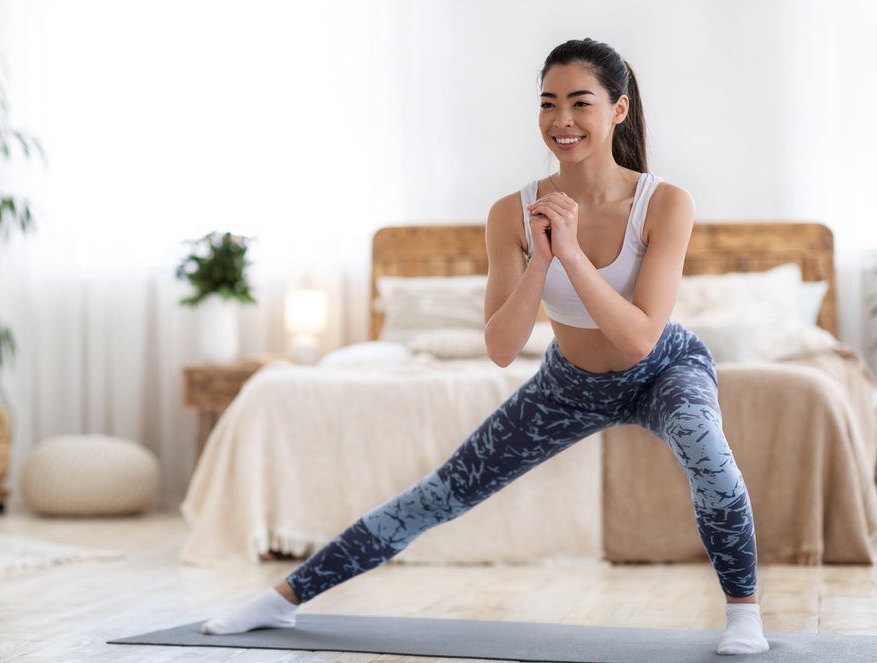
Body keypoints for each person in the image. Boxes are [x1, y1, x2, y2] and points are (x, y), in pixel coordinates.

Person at [200, 37, 769, 656]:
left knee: (710, 457)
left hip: (663, 370)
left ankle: (744, 615)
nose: (562, 121)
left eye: (581, 103)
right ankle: (279, 601)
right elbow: (501, 346)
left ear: (618, 110)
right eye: (548, 104)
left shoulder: (665, 203)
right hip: (570, 384)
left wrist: (573, 254)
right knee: (442, 492)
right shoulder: (512, 213)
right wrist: (540, 257)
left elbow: (637, 339)